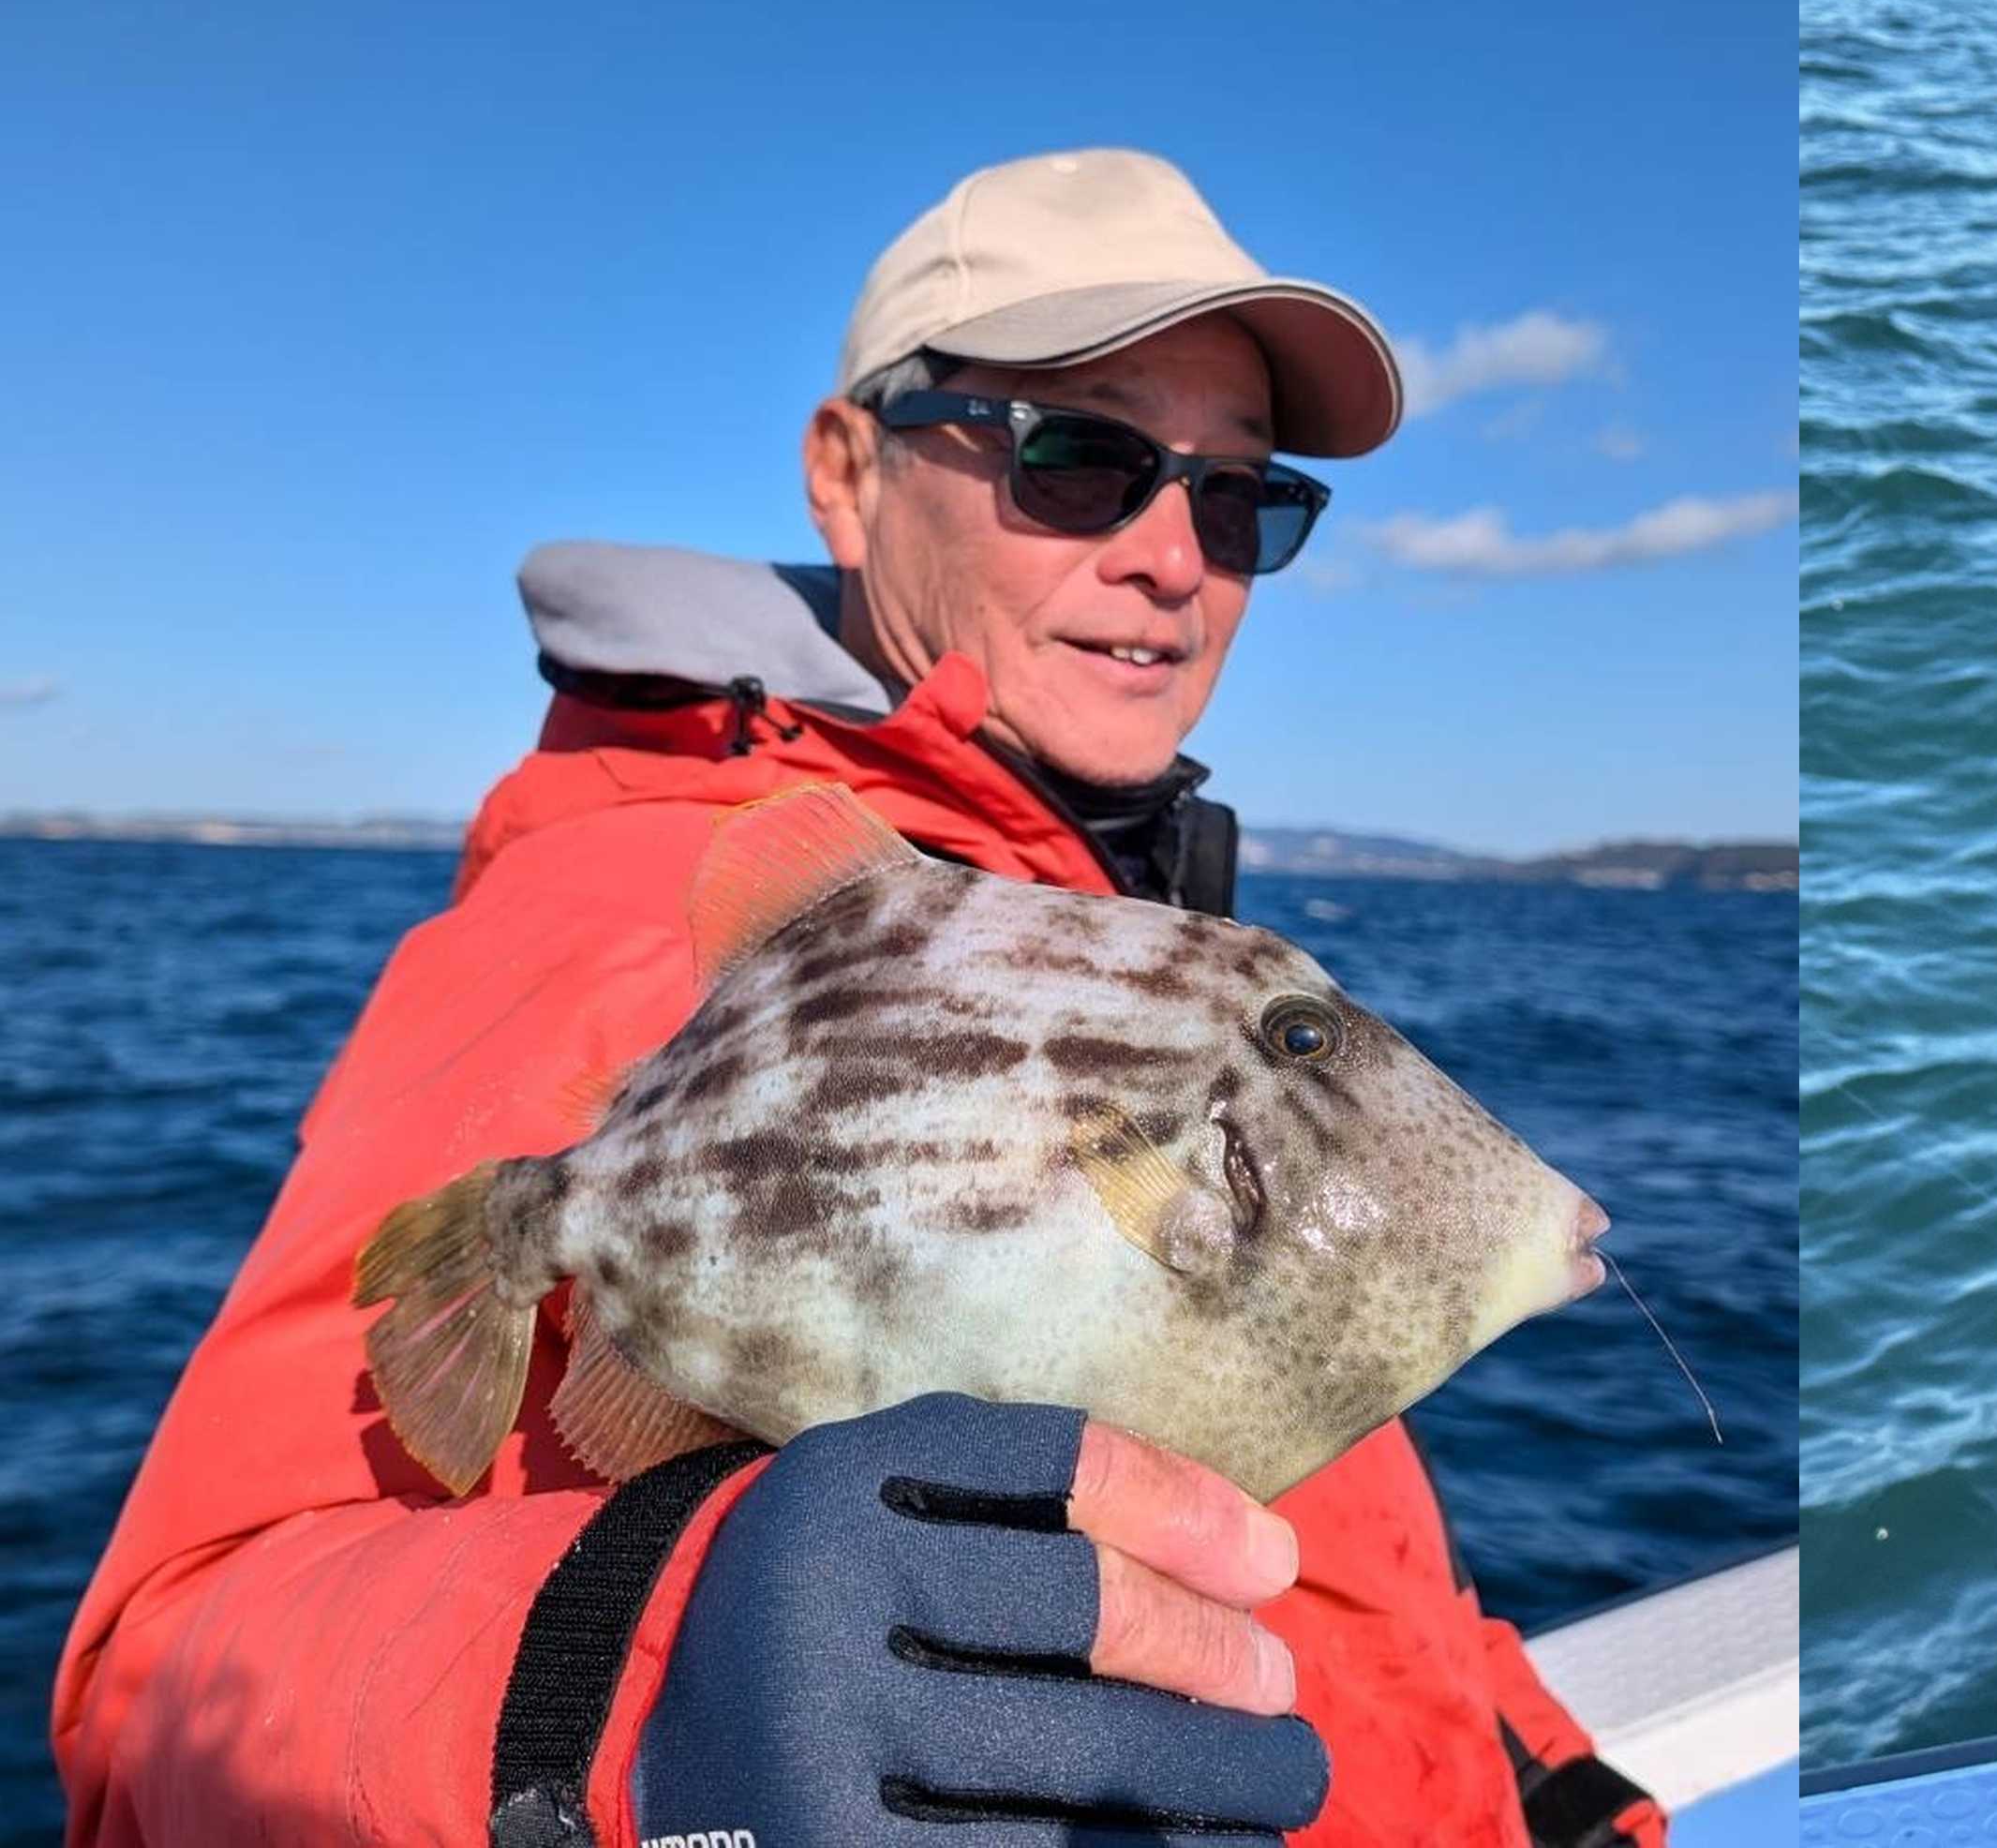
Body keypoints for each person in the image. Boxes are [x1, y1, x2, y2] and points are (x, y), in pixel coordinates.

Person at [52, 148, 1663, 1848]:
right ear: (848, 471)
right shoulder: (624, 919)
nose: (1172, 558)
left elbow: (1331, 1555)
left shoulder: (1094, 911)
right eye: (1081, 457)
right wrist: (636, 1711)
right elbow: (166, 1691)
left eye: (1239, 498)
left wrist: (1545, 1787)